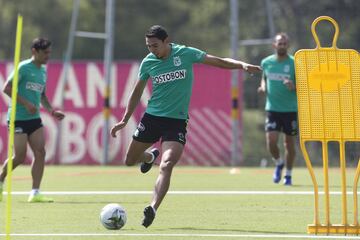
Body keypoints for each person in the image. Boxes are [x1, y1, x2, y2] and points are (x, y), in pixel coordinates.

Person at [110, 25, 262, 227]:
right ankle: (149, 156)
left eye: (155, 45)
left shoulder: (185, 53)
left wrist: (242, 65)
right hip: (152, 119)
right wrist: (125, 119)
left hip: (176, 122)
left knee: (167, 164)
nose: (151, 50)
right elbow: (137, 92)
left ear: (166, 41)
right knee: (130, 160)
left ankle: (153, 207)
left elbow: (219, 62)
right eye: (148, 46)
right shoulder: (148, 62)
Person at [0, 38, 65, 203]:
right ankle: (1, 178)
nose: (48, 56)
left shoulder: (43, 71)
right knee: (20, 157)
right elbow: (7, 88)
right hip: (18, 118)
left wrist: (51, 111)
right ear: (35, 51)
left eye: (50, 52)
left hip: (34, 119)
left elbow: (42, 95)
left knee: (40, 152)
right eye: (45, 52)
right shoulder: (23, 68)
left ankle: (35, 192)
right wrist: (26, 103)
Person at [257, 32, 297, 186]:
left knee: (289, 144)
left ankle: (288, 174)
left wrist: (293, 87)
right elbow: (264, 80)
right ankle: (279, 162)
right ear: (274, 45)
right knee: (271, 141)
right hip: (273, 109)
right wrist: (262, 87)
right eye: (279, 43)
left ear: (288, 45)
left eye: (284, 43)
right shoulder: (266, 62)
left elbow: (305, 86)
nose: (282, 46)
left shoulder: (294, 63)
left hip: (290, 110)